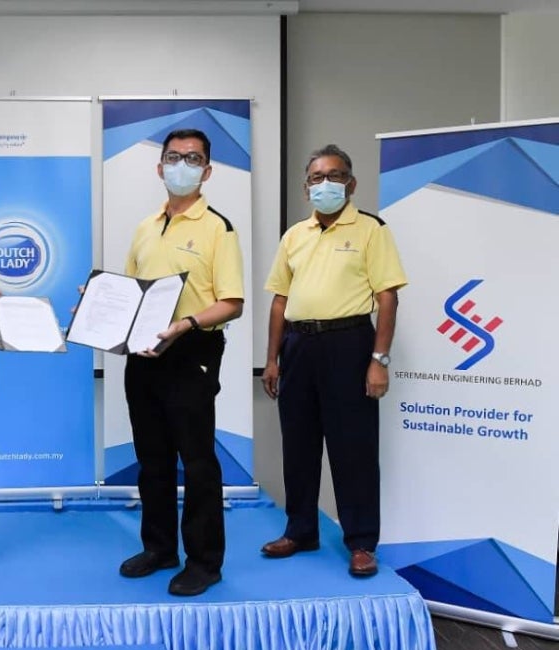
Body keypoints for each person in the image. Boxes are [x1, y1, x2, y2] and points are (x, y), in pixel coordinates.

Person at [260, 144, 407, 577]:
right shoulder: (294, 235)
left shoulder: (371, 230)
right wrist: (272, 359)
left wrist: (379, 359)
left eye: (335, 175)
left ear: (351, 183)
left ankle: (361, 542)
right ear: (306, 187)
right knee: (299, 446)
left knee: (354, 448)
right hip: (298, 346)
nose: (325, 184)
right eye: (317, 178)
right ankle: (300, 530)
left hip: (349, 343)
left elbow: (387, 297)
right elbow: (279, 301)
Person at [118, 129, 245, 597]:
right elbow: (132, 295)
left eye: (193, 159)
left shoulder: (218, 228)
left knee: (196, 461)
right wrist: (98, 307)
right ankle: (159, 548)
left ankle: (205, 561)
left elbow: (232, 302)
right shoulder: (145, 226)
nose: (181, 165)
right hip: (144, 352)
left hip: (192, 350)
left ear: (207, 171)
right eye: (173, 157)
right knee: (151, 460)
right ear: (159, 167)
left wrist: (186, 323)